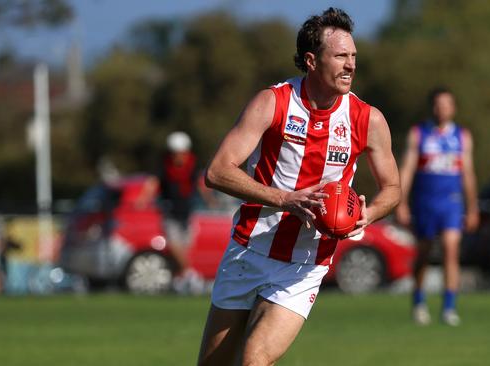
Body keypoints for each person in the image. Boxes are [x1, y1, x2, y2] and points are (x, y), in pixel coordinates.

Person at [197, 8, 400, 365]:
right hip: (249, 250)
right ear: (311, 60)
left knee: (255, 359)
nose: (350, 64)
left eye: (353, 56)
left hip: (304, 264)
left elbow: (393, 188)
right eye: (340, 56)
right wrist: (284, 199)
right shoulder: (272, 102)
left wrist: (367, 215)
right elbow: (217, 171)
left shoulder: (368, 119)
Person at [396, 87, 479, 326]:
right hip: (424, 203)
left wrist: (473, 207)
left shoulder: (462, 136)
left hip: (451, 202)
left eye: (447, 104)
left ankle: (449, 307)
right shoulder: (419, 134)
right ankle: (419, 300)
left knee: (451, 249)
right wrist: (401, 203)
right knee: (423, 253)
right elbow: (408, 170)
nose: (442, 109)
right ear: (432, 107)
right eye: (438, 104)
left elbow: (468, 173)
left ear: (453, 108)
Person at [158, 131, 201, 269]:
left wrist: (213, 202)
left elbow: (200, 185)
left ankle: (183, 277)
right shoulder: (164, 166)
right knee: (174, 244)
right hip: (171, 213)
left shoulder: (192, 166)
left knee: (185, 247)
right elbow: (153, 183)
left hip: (187, 213)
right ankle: (190, 273)